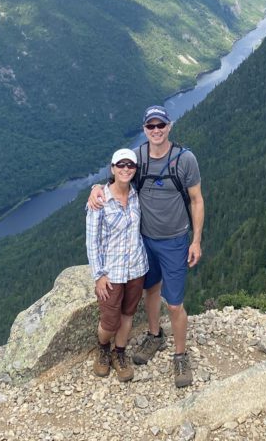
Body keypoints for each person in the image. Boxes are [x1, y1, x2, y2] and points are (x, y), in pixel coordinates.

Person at [89, 104, 204, 388]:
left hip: (175, 241)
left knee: (174, 304)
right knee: (151, 291)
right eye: (151, 126)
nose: (156, 130)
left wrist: (196, 240)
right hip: (144, 243)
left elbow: (197, 200)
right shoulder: (138, 157)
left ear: (169, 126)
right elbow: (119, 178)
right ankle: (155, 335)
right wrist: (97, 190)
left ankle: (180, 355)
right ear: (144, 129)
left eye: (160, 125)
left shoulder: (184, 159)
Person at [85, 148, 148, 382]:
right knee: (109, 321)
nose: (125, 169)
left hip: (136, 268)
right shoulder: (100, 199)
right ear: (112, 169)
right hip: (111, 273)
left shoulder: (136, 195)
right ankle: (103, 347)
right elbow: (92, 242)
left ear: (134, 170)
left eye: (130, 165)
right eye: (120, 165)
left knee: (128, 313)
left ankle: (118, 353)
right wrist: (98, 275)